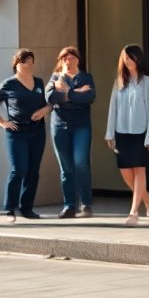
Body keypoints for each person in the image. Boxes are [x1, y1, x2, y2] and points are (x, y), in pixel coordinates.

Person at [0, 50, 49, 221]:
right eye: (24, 61)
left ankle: (27, 208)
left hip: (37, 132)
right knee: (18, 169)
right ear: (16, 65)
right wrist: (1, 121)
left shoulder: (39, 83)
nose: (28, 64)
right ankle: (9, 209)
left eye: (30, 61)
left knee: (33, 171)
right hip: (16, 133)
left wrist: (44, 110)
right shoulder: (9, 84)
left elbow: (48, 104)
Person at [105, 44, 149, 227]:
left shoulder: (147, 82)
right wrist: (109, 133)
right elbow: (113, 108)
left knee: (139, 169)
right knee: (126, 172)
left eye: (131, 57)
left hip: (140, 133)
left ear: (138, 59)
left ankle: (134, 212)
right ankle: (148, 198)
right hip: (121, 132)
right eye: (125, 57)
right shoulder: (119, 81)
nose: (128, 60)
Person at [47, 47, 96, 218]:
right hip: (59, 127)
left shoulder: (85, 77)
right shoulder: (55, 77)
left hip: (81, 126)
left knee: (80, 163)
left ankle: (86, 204)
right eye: (64, 58)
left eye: (71, 58)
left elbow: (88, 98)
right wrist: (76, 94)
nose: (68, 61)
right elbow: (51, 98)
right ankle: (69, 206)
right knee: (66, 168)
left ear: (77, 60)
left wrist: (66, 92)